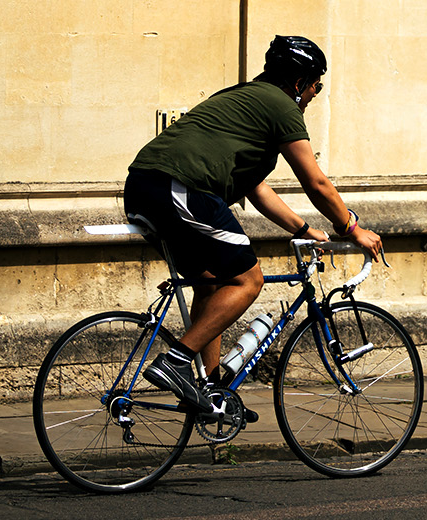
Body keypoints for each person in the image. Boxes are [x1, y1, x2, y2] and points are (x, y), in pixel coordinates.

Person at [123, 35, 382, 413]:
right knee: (249, 279)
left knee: (213, 281)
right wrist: (352, 228)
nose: (314, 94)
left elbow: (257, 190)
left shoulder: (246, 99)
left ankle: (211, 392)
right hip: (180, 187)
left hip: (147, 187)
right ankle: (176, 362)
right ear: (299, 84)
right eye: (316, 86)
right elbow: (316, 182)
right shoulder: (281, 106)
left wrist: (304, 230)